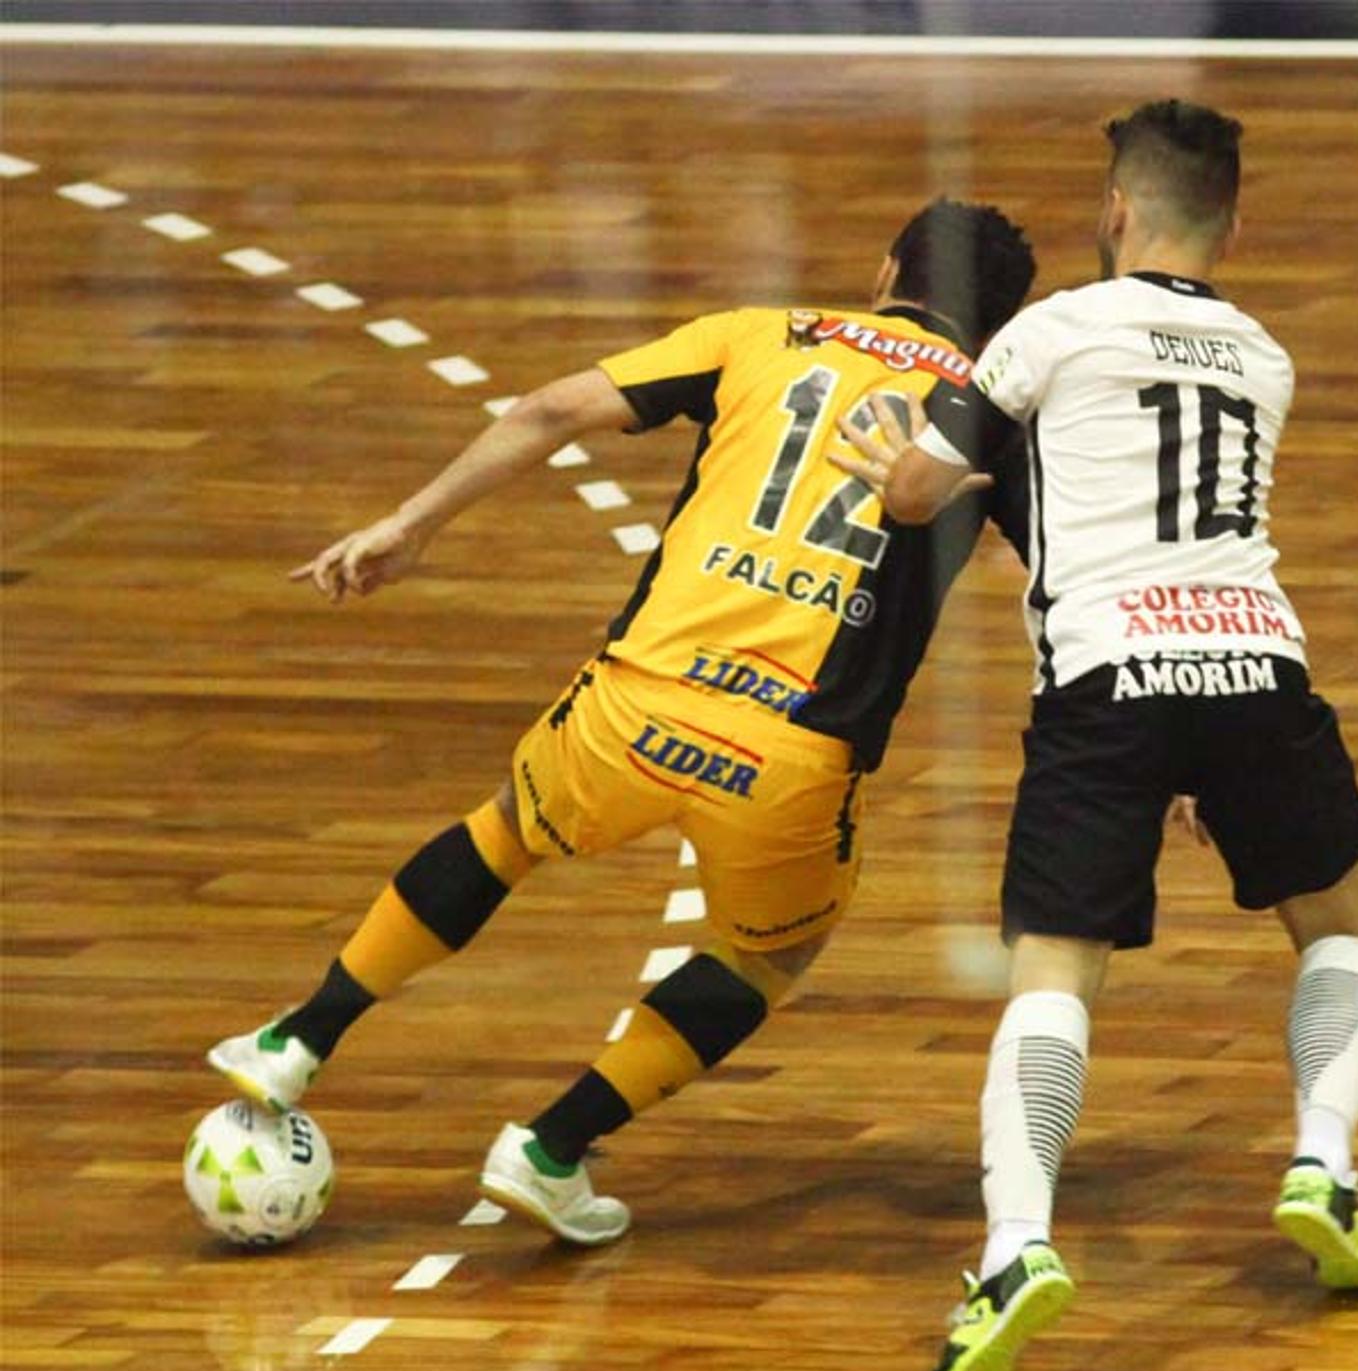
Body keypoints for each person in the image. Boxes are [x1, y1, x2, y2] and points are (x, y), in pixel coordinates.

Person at [208, 199, 1037, 1246]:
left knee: (505, 831)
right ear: (1000, 331)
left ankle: (300, 1036)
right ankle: (553, 1148)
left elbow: (552, 410)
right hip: (784, 760)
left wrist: (408, 523)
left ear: (885, 273)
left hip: (632, 704)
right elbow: (1065, 570)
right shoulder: (993, 415)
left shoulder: (760, 334)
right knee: (772, 953)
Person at [831, 100, 1358, 1371]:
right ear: (1234, 228)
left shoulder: (1046, 330)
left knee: (1055, 974)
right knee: (1341, 928)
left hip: (1105, 682)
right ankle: (1322, 1163)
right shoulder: (1266, 356)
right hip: (1257, 666)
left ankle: (1014, 1248)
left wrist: (889, 467)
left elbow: (924, 493)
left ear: (1116, 215)